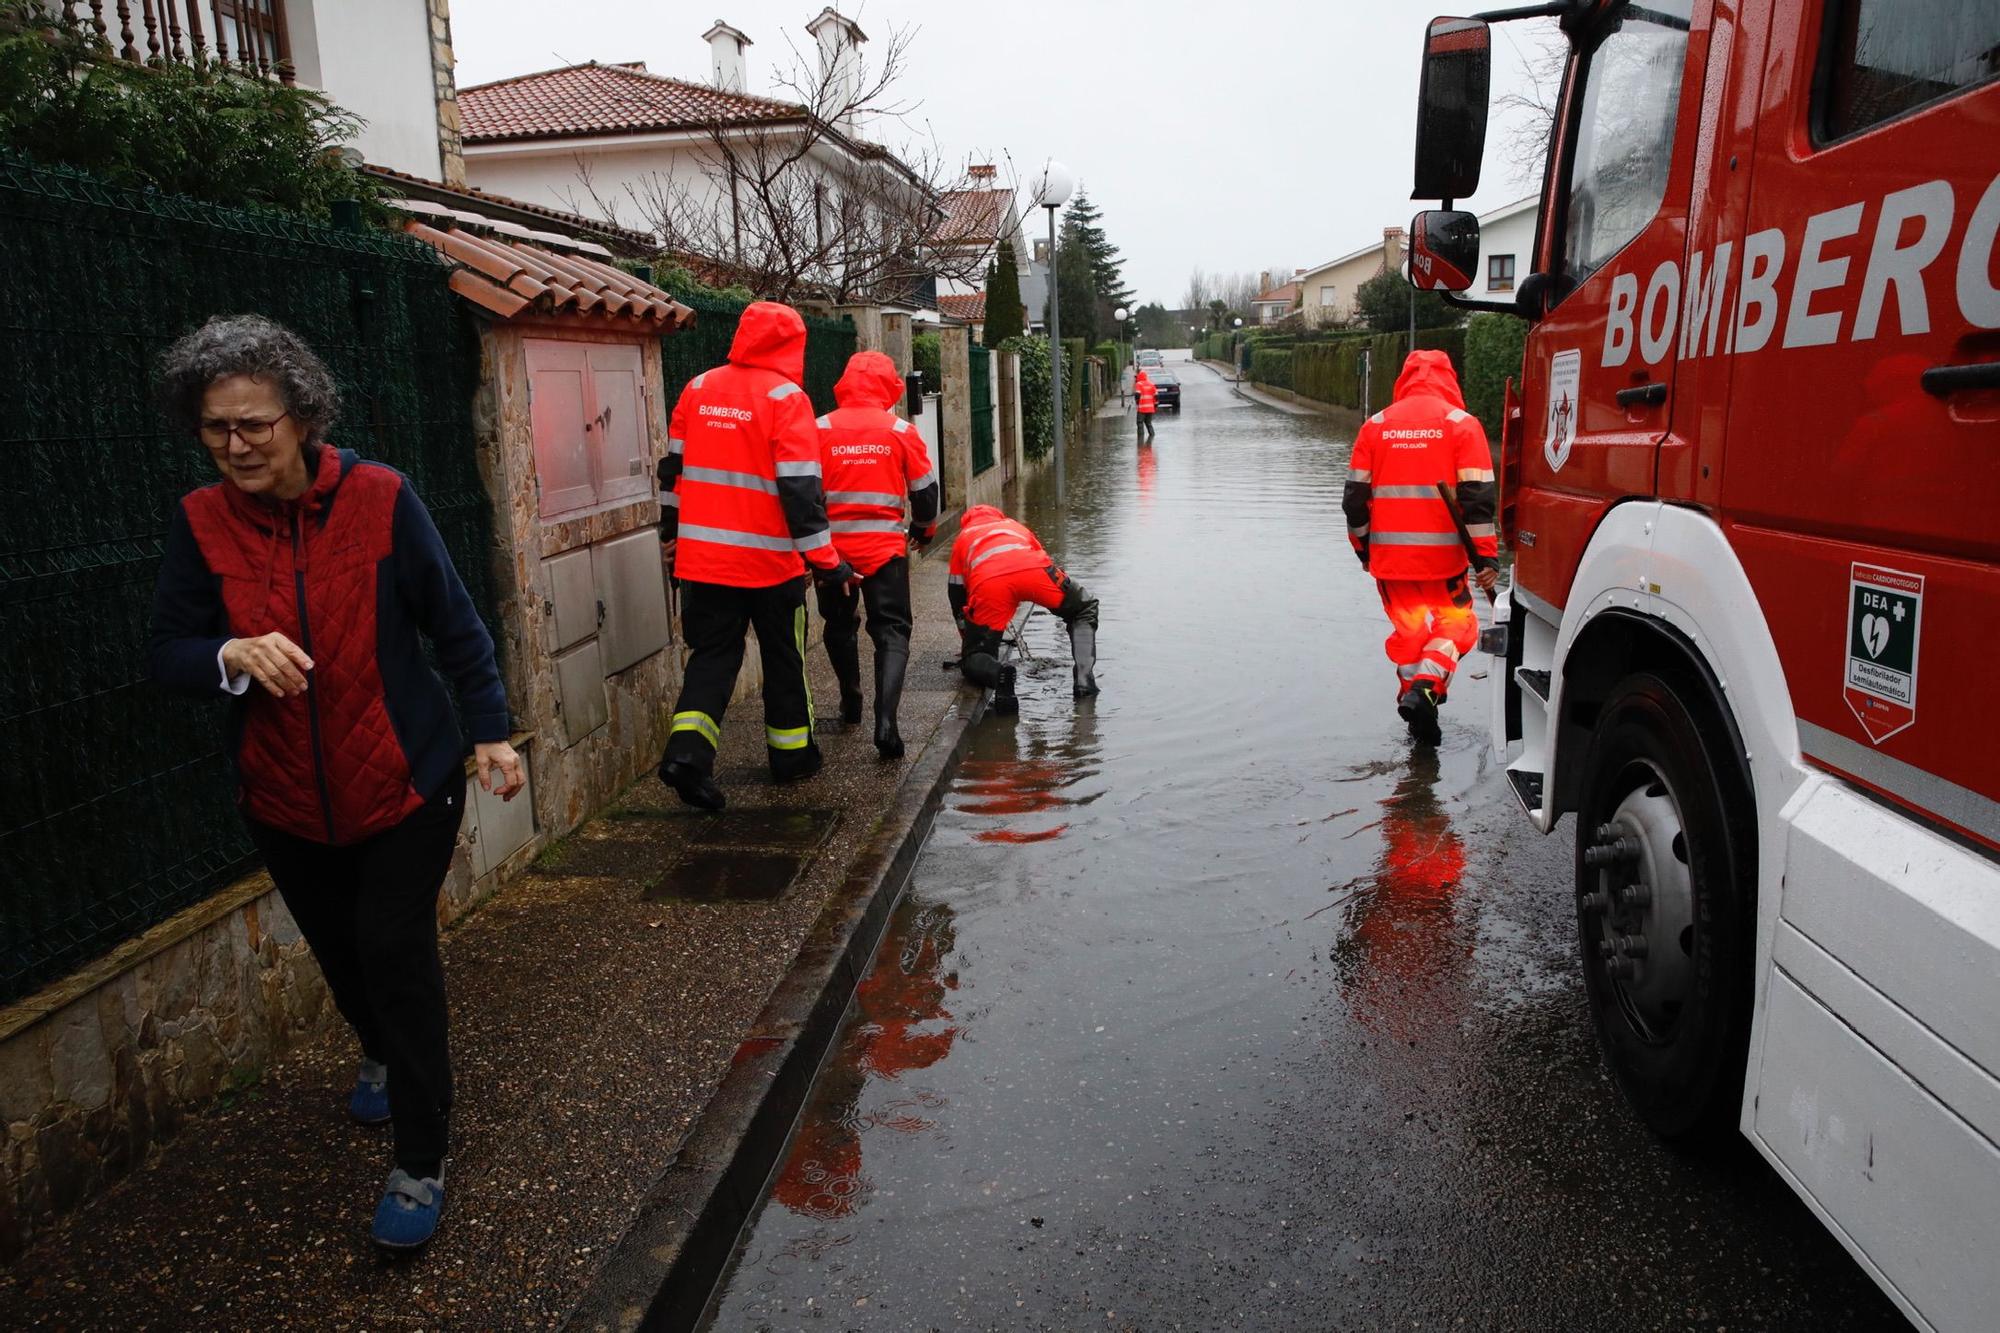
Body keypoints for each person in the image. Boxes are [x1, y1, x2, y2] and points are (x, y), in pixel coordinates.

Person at [147, 314, 524, 1252]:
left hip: (407, 780)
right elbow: (166, 652)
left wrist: (491, 734)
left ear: (301, 415)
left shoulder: (381, 498)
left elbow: (456, 623)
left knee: (394, 954)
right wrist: (228, 652)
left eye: (254, 424)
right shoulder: (200, 523)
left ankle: (421, 1156)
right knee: (343, 955)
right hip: (282, 795)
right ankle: (377, 1052)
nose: (235, 445)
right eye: (215, 428)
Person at [657, 301, 856, 811]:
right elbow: (800, 493)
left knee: (713, 657)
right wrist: (827, 563)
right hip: (770, 566)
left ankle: (687, 755)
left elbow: (673, 474)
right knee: (784, 658)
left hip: (703, 562)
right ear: (793, 345)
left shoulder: (697, 389)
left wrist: (670, 534)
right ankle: (791, 760)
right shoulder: (786, 398)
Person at [1342, 349, 1497, 745]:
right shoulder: (1462, 425)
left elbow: (1354, 501)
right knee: (1458, 626)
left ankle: (1414, 713)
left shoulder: (1375, 426)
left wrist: (1364, 550)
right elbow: (1477, 501)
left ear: (1404, 379)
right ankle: (1427, 689)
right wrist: (1486, 557)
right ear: (1450, 379)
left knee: (1410, 637)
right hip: (1443, 562)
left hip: (1390, 564)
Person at [814, 349, 941, 758]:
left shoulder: (818, 428)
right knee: (891, 632)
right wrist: (924, 530)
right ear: (890, 386)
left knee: (838, 624)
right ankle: (886, 722)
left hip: (832, 554)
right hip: (885, 549)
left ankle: (851, 702)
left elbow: (802, 492)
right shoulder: (901, 430)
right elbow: (925, 492)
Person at [947, 504, 1099, 709]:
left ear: (965, 522)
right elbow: (1043, 559)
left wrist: (970, 638)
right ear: (998, 515)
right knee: (1083, 607)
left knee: (974, 657)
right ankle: (1084, 679)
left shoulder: (963, 538)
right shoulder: (1014, 525)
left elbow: (957, 595)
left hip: (990, 585)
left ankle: (999, 675)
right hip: (1034, 573)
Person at [1133, 366, 1158, 443]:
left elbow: (1137, 394)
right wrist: (1155, 406)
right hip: (1150, 408)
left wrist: (1137, 403)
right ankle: (1152, 436)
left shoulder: (1139, 384)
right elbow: (1156, 396)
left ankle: (1140, 439)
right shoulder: (1151, 384)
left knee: (1140, 423)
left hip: (1142, 408)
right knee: (1149, 423)